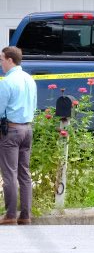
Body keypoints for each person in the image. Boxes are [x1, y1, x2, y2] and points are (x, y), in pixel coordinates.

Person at [0, 46, 37, 225]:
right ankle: (25, 215)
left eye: (1, 59)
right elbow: (34, 105)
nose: (0, 63)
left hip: (11, 130)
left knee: (9, 174)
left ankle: (10, 215)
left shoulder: (6, 82)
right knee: (24, 173)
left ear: (10, 60)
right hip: (27, 129)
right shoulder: (30, 80)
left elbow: (0, 110)